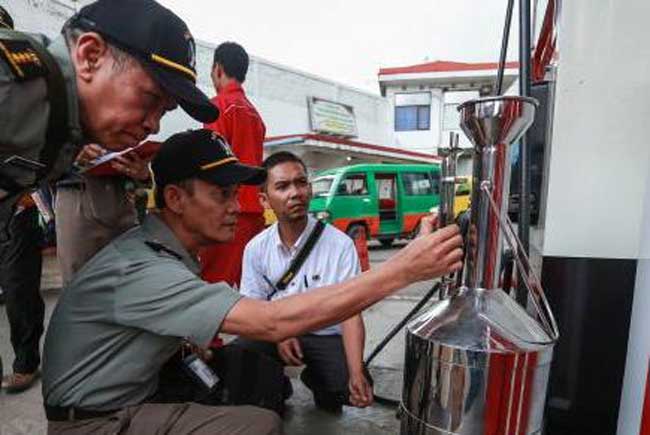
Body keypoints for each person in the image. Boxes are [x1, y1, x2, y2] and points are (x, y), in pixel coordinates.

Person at [42, 129, 463, 434]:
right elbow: (271, 321)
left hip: (122, 394)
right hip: (94, 421)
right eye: (220, 194)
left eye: (234, 193)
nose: (233, 206)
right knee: (257, 423)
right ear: (174, 199)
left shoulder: (168, 252)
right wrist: (403, 268)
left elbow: (341, 313)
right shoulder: (150, 266)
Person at [0, 0, 218, 232]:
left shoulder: (68, 121)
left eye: (164, 111)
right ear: (90, 56)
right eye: (149, 98)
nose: (153, 126)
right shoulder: (9, 83)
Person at [237, 152, 372, 413]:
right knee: (241, 357)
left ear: (310, 189)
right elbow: (251, 310)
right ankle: (276, 386)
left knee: (347, 389)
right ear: (264, 199)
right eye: (282, 186)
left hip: (326, 336)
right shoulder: (255, 249)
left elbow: (351, 313)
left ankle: (318, 380)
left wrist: (356, 373)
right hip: (277, 331)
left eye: (301, 183)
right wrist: (278, 335)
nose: (295, 192)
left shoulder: (340, 245)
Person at [0, 4, 45, 395]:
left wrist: (32, 192)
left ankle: (26, 363)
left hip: (18, 205)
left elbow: (45, 140)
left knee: (18, 290)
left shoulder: (24, 75)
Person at [201, 42, 266, 287]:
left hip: (226, 212)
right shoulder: (254, 114)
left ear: (218, 69)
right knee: (247, 287)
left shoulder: (218, 107)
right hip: (254, 215)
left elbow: (213, 165)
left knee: (215, 288)